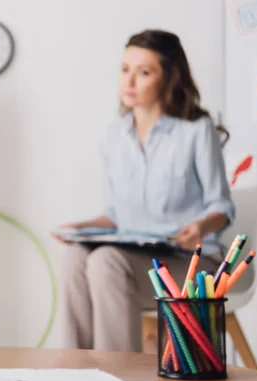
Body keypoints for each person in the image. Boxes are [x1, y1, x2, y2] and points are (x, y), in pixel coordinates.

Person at [59, 29, 234, 353]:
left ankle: (117, 378)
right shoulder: (114, 136)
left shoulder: (197, 130)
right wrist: (80, 229)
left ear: (169, 78)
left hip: (191, 263)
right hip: (136, 256)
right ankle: (77, 369)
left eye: (144, 72)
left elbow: (221, 206)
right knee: (75, 256)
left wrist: (199, 227)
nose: (129, 82)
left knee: (105, 262)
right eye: (125, 70)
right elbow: (115, 216)